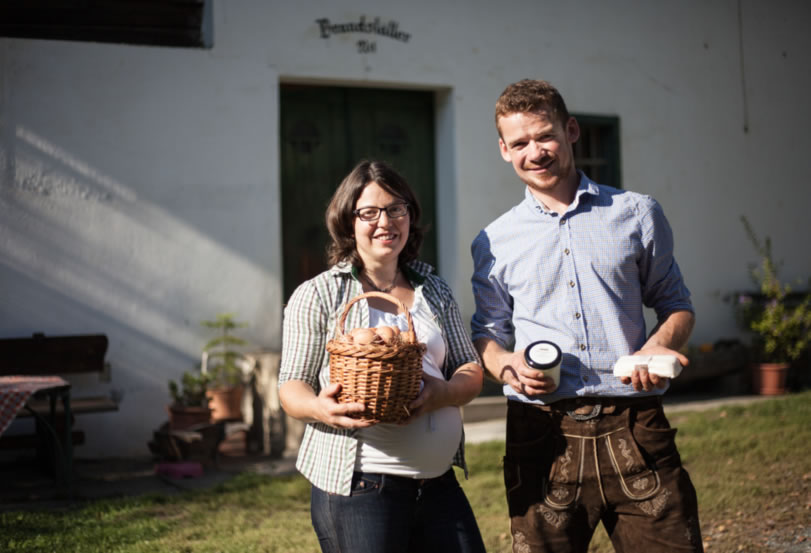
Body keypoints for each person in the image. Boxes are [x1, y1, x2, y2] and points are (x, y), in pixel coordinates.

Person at [471, 79, 703, 552]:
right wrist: (507, 366)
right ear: (503, 149)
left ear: (570, 130)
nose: (534, 152)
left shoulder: (636, 213)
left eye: (544, 136)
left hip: (635, 423)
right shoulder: (493, 241)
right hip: (542, 434)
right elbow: (487, 334)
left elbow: (676, 304)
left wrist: (660, 345)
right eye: (519, 143)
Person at [280, 160, 487, 553]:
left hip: (438, 481)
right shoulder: (320, 294)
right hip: (361, 487)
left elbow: (469, 367)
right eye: (369, 212)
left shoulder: (433, 289)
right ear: (348, 222)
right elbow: (290, 386)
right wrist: (322, 410)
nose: (385, 222)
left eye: (396, 209)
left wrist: (443, 394)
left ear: (410, 215)